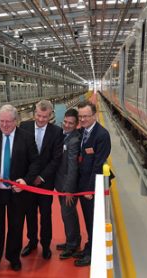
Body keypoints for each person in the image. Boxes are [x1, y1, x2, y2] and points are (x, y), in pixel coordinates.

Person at [0, 104, 40, 277]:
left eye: (8, 122)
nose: (4, 125)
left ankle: (13, 258)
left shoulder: (26, 138)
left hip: (16, 192)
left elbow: (35, 163)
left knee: (16, 226)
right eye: (1, 121)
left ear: (16, 121)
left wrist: (25, 181)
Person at [20, 100, 63, 260]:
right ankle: (32, 242)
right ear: (34, 113)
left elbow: (56, 159)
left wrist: (42, 177)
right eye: (38, 115)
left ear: (50, 115)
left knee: (45, 214)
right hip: (28, 182)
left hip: (45, 183)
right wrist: (28, 178)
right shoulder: (24, 127)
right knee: (29, 214)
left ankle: (45, 245)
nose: (41, 119)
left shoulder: (57, 132)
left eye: (45, 117)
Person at [73, 100, 111, 267]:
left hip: (92, 186)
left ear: (94, 115)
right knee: (88, 218)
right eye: (80, 117)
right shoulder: (82, 132)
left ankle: (93, 252)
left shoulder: (101, 135)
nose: (82, 120)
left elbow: (98, 165)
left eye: (86, 116)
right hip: (82, 183)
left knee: (92, 219)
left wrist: (89, 189)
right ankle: (89, 245)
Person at [54, 108, 81, 260]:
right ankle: (71, 240)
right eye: (65, 121)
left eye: (71, 123)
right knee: (67, 214)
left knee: (68, 214)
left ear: (76, 124)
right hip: (61, 184)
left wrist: (70, 190)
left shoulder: (74, 140)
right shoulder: (64, 135)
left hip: (68, 187)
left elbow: (73, 167)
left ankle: (72, 245)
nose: (67, 125)